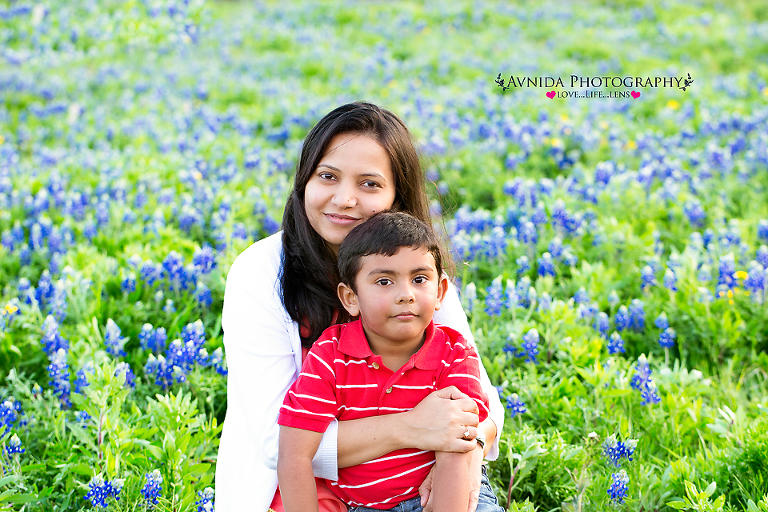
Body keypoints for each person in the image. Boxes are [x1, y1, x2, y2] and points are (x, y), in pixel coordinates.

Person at [215, 102, 505, 511]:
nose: (344, 199)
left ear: (396, 196)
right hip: (303, 489)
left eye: (369, 184)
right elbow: (277, 444)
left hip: (417, 483)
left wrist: (462, 447)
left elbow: (484, 406)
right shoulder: (259, 271)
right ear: (304, 181)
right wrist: (414, 428)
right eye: (327, 176)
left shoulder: (416, 272)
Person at [277, 211, 500, 512]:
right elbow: (294, 454)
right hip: (364, 505)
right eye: (384, 281)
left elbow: (458, 442)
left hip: (447, 496)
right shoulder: (330, 356)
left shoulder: (454, 353)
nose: (405, 295)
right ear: (350, 298)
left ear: (441, 293)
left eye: (420, 279)